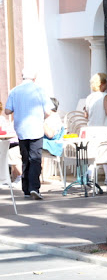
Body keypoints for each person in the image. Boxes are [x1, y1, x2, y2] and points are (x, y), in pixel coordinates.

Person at [4, 67, 53, 200]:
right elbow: (48, 111)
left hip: (21, 130)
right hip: (36, 129)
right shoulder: (40, 90)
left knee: (25, 159)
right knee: (35, 159)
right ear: (34, 78)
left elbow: (7, 111)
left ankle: (26, 189)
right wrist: (41, 118)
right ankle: (34, 188)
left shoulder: (14, 91)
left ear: (22, 77)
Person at [0, 101, 22, 184]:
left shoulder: (2, 119)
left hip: (11, 143)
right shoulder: (4, 119)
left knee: (11, 153)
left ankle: (20, 177)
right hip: (9, 142)